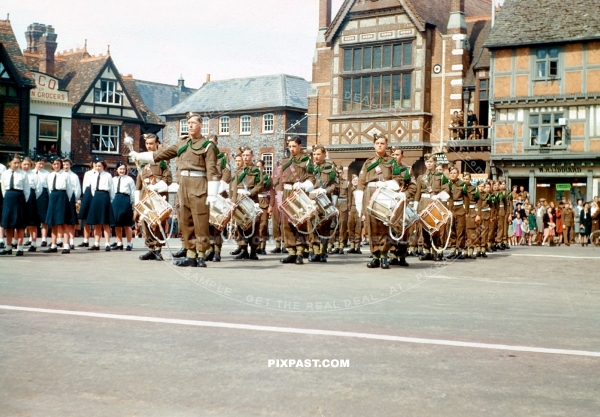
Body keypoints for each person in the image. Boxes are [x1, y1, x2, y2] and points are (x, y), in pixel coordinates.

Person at [130, 112, 218, 267]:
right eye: (188, 123)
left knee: (201, 222)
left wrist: (212, 193)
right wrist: (138, 155)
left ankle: (202, 254)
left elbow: (211, 170)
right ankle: (191, 254)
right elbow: (159, 154)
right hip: (183, 184)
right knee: (186, 221)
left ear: (201, 125)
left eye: (193, 123)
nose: (190, 125)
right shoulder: (181, 143)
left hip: (199, 184)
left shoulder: (207, 146)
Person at [357, 134, 405, 269]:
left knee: (384, 224)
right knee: (371, 225)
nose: (379, 145)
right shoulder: (368, 162)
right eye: (377, 143)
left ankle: (384, 255)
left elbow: (398, 179)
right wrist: (359, 200)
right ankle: (375, 256)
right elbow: (361, 182)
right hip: (370, 193)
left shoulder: (392, 162)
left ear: (387, 145)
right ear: (374, 145)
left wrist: (388, 184)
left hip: (385, 193)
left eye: (382, 143)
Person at [135, 133, 173, 261]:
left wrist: (156, 187)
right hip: (145, 196)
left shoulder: (163, 160)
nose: (149, 146)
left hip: (158, 195)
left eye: (151, 143)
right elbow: (138, 183)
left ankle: (158, 249)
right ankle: (151, 248)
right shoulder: (141, 161)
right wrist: (137, 200)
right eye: (147, 144)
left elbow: (168, 179)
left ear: (157, 143)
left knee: (159, 222)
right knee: (146, 222)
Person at [279, 137, 316, 265]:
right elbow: (280, 180)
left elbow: (312, 178)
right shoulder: (286, 161)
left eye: (294, 146)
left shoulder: (306, 160)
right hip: (286, 193)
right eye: (290, 146)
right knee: (286, 223)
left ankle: (300, 251)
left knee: (299, 222)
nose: (291, 149)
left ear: (300, 146)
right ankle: (291, 252)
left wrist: (304, 185)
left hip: (298, 193)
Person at [230, 147, 264, 260]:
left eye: (247, 155)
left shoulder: (256, 170)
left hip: (251, 199)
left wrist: (250, 192)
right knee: (241, 224)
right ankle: (243, 248)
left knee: (254, 224)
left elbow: (260, 185)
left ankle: (253, 250)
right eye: (243, 155)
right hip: (239, 199)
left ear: (252, 156)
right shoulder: (238, 171)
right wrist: (232, 201)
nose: (245, 157)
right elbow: (233, 187)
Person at [414, 154, 450, 261]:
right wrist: (416, 207)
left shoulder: (441, 176)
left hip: (435, 203)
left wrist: (438, 196)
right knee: (424, 229)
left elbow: (446, 190)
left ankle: (436, 251)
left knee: (436, 228)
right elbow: (417, 193)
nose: (429, 164)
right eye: (427, 162)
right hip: (424, 203)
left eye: (431, 161)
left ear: (434, 162)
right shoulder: (421, 177)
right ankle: (427, 251)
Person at [308, 145, 338, 263]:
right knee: (311, 224)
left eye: (318, 154)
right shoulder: (309, 167)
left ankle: (323, 252)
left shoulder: (331, 167)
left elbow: (335, 184)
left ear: (324, 154)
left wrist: (326, 190)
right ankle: (314, 250)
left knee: (325, 226)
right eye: (314, 154)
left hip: (325, 199)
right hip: (312, 199)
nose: (315, 156)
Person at [0, 154, 30, 256]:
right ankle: (8, 247)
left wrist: (22, 200)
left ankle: (20, 248)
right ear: (9, 163)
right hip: (8, 198)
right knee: (8, 225)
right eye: (15, 163)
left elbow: (26, 190)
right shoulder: (4, 174)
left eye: (18, 163)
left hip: (19, 198)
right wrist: (7, 197)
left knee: (19, 225)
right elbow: (3, 188)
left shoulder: (23, 174)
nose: (17, 165)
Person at [43, 157, 72, 254]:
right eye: (54, 164)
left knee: (64, 223)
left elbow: (69, 190)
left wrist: (65, 200)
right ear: (52, 165)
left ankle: (66, 246)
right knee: (53, 222)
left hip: (62, 196)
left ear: (61, 165)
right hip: (53, 196)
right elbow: (49, 189)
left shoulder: (65, 175)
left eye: (58, 164)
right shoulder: (50, 175)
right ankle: (53, 245)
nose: (56, 166)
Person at [87, 158, 115, 251]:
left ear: (103, 166)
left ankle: (107, 244)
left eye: (99, 166)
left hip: (105, 196)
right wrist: (95, 197)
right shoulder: (93, 176)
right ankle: (96, 243)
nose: (98, 168)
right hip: (96, 197)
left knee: (106, 223)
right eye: (96, 166)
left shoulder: (108, 175)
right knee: (97, 223)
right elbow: (92, 188)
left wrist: (110, 200)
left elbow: (111, 188)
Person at [111, 161, 135, 251]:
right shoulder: (113, 179)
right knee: (117, 224)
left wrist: (133, 203)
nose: (122, 170)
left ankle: (129, 243)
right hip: (115, 200)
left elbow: (133, 192)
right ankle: (119, 243)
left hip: (125, 199)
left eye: (124, 169)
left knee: (127, 224)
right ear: (117, 170)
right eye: (120, 169)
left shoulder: (129, 179)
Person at [446, 167, 468, 260]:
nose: (452, 175)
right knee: (451, 230)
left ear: (458, 174)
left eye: (454, 173)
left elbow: (466, 200)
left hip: (459, 209)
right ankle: (452, 250)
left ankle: (460, 250)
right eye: (451, 173)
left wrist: (466, 212)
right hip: (450, 209)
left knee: (460, 230)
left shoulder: (462, 184)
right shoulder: (446, 183)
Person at [20, 157, 40, 252]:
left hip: (31, 198)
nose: (26, 166)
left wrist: (32, 197)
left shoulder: (34, 175)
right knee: (19, 221)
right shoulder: (18, 174)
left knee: (32, 222)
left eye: (28, 164)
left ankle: (33, 243)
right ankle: (16, 242)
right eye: (24, 164)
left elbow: (39, 189)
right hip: (20, 197)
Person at [77, 161, 98, 248]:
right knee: (86, 219)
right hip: (88, 193)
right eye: (94, 163)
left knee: (97, 219)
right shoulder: (88, 173)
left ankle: (96, 242)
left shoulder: (102, 174)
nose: (96, 165)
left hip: (97, 193)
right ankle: (86, 240)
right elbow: (84, 185)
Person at [63, 158, 82, 250]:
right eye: (64, 164)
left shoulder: (74, 176)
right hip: (62, 198)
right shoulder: (60, 175)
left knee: (71, 221)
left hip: (71, 199)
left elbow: (77, 189)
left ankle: (71, 241)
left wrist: (76, 199)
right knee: (62, 220)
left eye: (67, 164)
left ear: (70, 165)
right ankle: (60, 240)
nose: (65, 166)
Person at [32, 156, 50, 247]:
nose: (41, 165)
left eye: (43, 163)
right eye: (39, 163)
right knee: (33, 218)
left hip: (43, 195)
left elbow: (49, 187)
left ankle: (44, 239)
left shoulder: (47, 174)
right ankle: (32, 238)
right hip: (33, 194)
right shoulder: (31, 173)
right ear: (35, 163)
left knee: (43, 218)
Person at [255, 159, 270, 256]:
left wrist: (271, 205)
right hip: (256, 201)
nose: (258, 168)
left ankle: (263, 247)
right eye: (257, 167)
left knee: (263, 225)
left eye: (260, 166)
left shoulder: (266, 177)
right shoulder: (253, 176)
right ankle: (256, 246)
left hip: (264, 202)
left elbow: (265, 187)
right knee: (256, 225)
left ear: (263, 167)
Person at [346, 175, 362, 254]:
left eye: (357, 180)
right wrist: (348, 210)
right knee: (350, 226)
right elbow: (348, 199)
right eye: (354, 180)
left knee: (358, 227)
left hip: (359, 208)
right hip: (352, 208)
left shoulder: (361, 189)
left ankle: (357, 247)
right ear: (352, 181)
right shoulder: (350, 189)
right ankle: (352, 246)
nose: (356, 181)